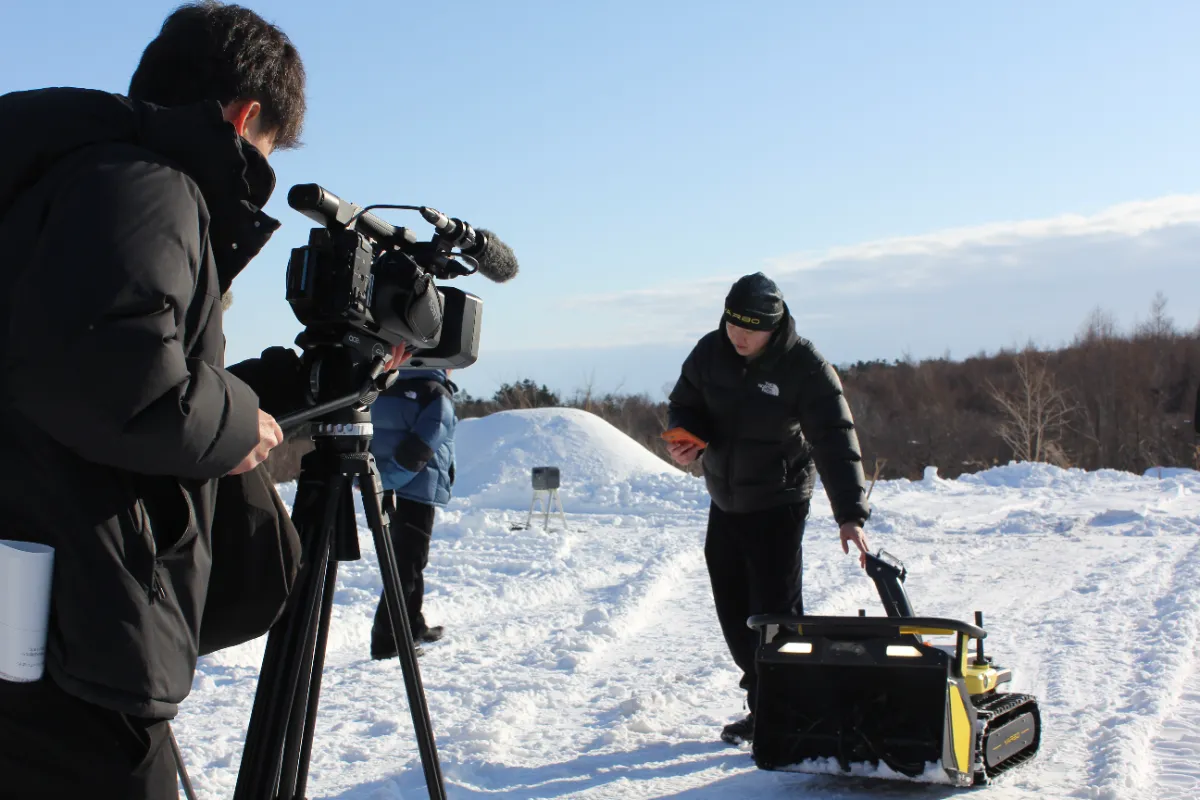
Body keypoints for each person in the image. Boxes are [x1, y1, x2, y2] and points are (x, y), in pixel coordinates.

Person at [0, 4, 406, 797]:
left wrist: (293, 385)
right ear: (244, 117)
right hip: (72, 629)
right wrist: (234, 424)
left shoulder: (55, 174)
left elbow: (105, 361)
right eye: (266, 152)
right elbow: (116, 382)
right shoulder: (145, 184)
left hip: (38, 599)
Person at [666, 272, 872, 745]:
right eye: (732, 324)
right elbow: (685, 402)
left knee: (774, 613)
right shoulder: (710, 351)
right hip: (725, 500)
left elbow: (836, 440)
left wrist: (850, 516)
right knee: (735, 612)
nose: (738, 336)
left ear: (773, 328)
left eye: (750, 329)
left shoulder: (804, 365)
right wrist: (687, 437)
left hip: (779, 502)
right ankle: (765, 703)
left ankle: (784, 713)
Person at [368, 368, 458, 659]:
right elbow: (424, 443)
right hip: (416, 487)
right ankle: (387, 638)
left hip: (382, 485)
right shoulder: (434, 393)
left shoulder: (385, 384)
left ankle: (412, 624)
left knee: (407, 558)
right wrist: (392, 477)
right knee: (407, 563)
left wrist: (376, 479)